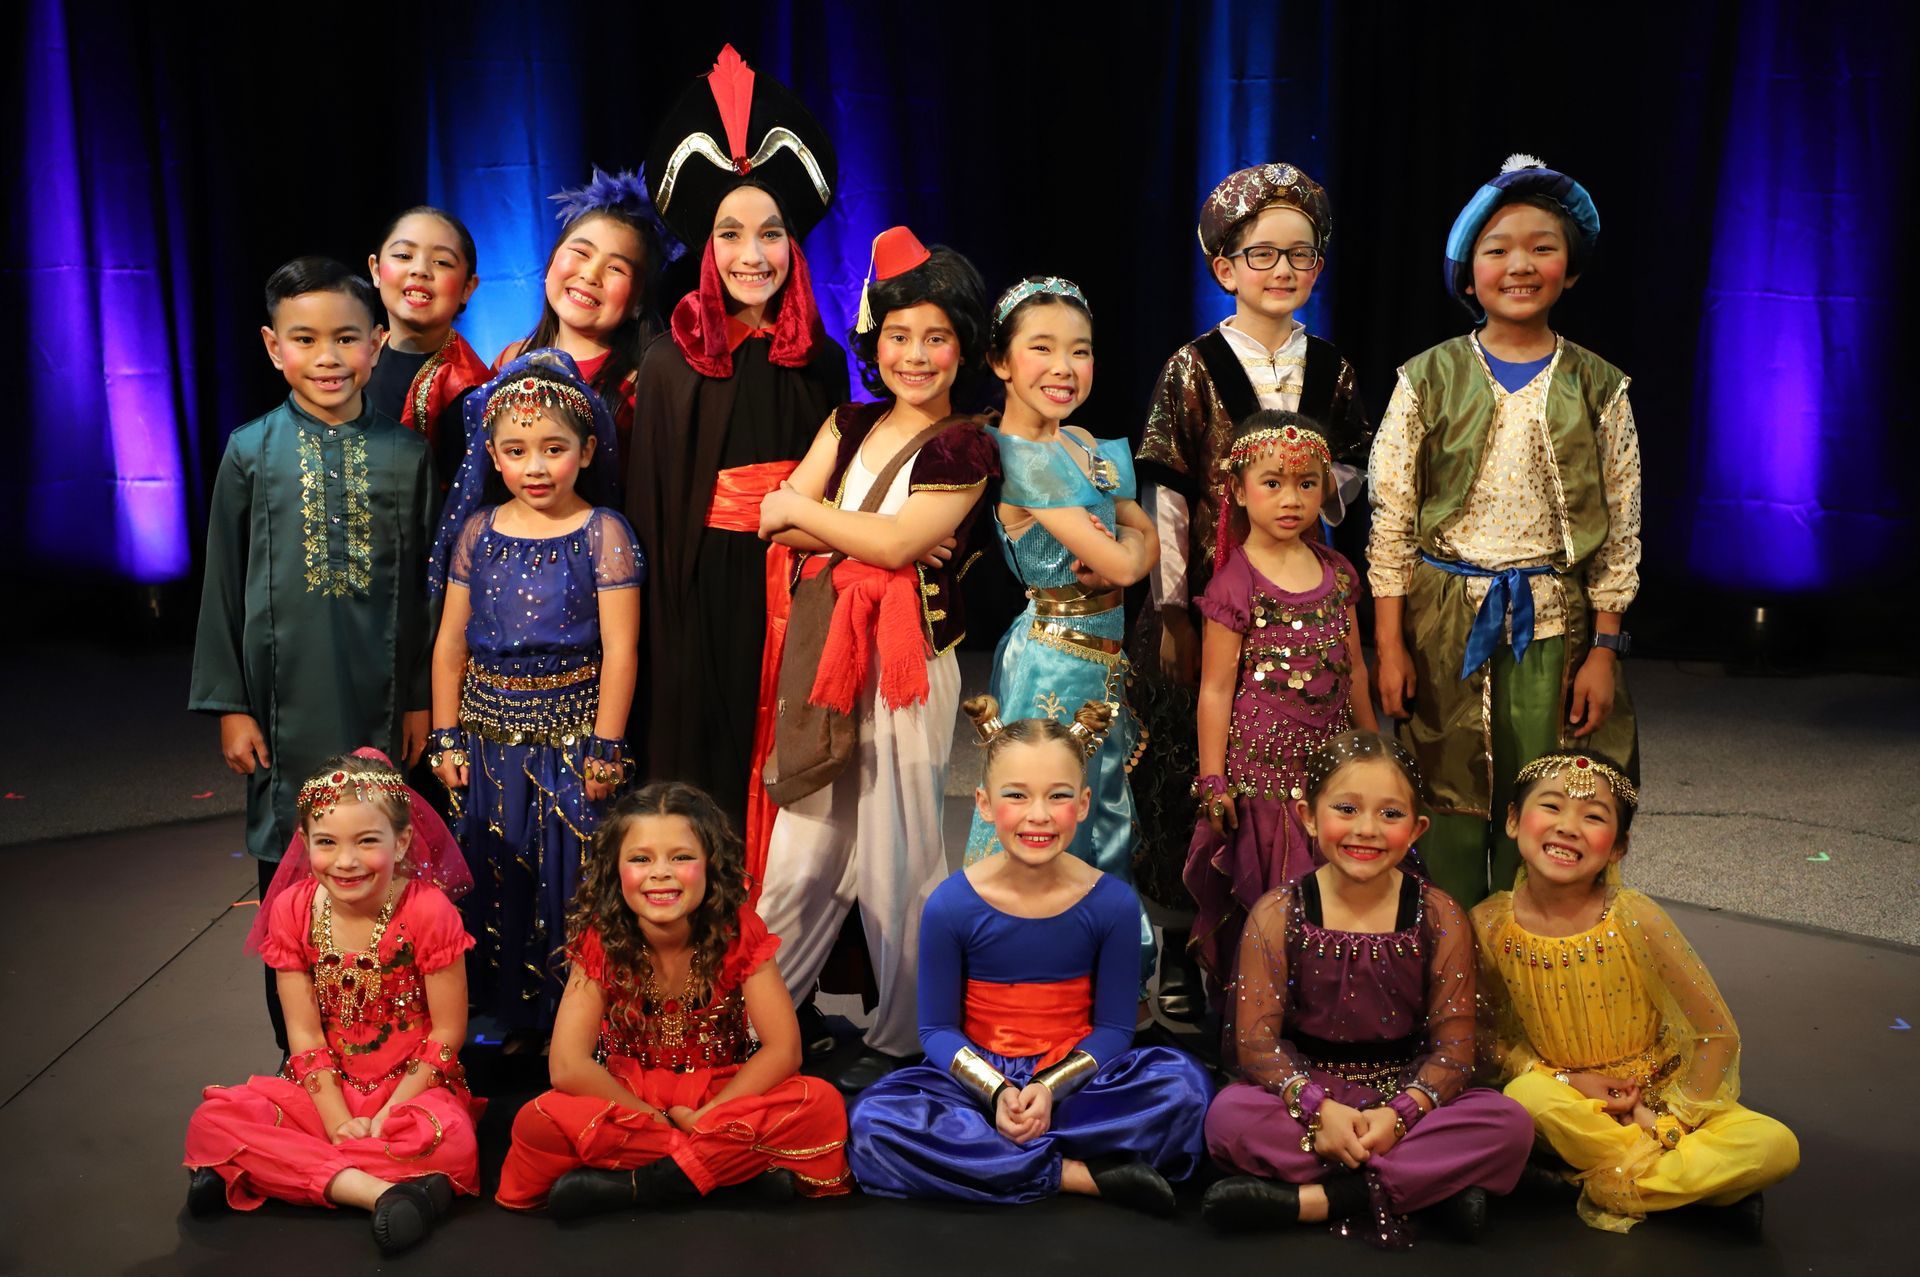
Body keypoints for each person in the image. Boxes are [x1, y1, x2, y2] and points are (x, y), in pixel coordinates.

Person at [754, 227, 997, 1091]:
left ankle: (905, 1034)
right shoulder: (848, 418)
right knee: (801, 845)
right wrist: (864, 540)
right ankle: (760, 1021)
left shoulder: (968, 444)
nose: (915, 354)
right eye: (898, 335)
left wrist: (823, 521)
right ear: (875, 337)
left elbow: (887, 539)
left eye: (936, 336)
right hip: (829, 654)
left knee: (902, 852)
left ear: (964, 345)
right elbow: (769, 521)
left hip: (907, 663)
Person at [1368, 155, 1641, 908]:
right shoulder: (1425, 379)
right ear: (1469, 273)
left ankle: (1537, 970)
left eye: (1542, 247)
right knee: (1448, 799)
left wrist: (1605, 649)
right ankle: (1452, 982)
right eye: (1498, 249)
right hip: (1441, 624)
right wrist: (1388, 644)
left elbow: (1619, 528)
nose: (1520, 264)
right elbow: (1390, 520)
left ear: (1572, 269)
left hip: (1555, 625)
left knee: (1547, 794)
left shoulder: (1599, 386)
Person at [1131, 162, 1372, 1011]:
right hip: (1209, 599)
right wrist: (1170, 609)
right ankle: (1177, 940)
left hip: (1298, 602)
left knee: (1293, 777)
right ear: (1225, 266)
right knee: (1185, 770)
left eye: (1298, 255)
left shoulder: (1334, 369)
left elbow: (1348, 471)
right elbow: (1163, 490)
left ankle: (1298, 935)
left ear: (1318, 268)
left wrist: (1305, 488)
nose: (1280, 271)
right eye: (1259, 253)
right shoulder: (1192, 367)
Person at [190, 257, 434, 1053]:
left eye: (345, 338)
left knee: (388, 877)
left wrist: (423, 698)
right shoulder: (251, 451)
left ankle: (387, 1054)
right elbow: (223, 581)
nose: (326, 356)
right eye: (304, 339)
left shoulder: (407, 455)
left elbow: (428, 592)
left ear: (378, 342)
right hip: (281, 711)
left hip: (384, 705)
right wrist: (230, 703)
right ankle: (301, 1057)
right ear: (272, 346)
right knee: (293, 892)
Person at [849, 699, 1212, 1212]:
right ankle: (1071, 1173)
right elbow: (934, 1031)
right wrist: (998, 1092)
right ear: (982, 802)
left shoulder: (1111, 902)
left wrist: (1046, 1086)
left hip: (1079, 1079)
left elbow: (1113, 1029)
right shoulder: (951, 904)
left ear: (1083, 804)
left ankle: (997, 1161)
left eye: (1058, 796)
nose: (1038, 815)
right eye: (1016, 796)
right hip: (977, 1082)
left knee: (1186, 1090)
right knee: (874, 1120)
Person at [630, 45, 847, 852]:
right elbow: (657, 513)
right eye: (730, 234)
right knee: (714, 753)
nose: (752, 254)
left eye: (771, 233)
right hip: (706, 586)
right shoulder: (668, 362)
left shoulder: (821, 362)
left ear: (794, 242)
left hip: (797, 576)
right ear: (705, 246)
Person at [1203, 732, 1532, 1247]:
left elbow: (1455, 1050)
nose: (1366, 830)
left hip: (1402, 1095)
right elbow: (1256, 1045)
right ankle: (1429, 1188)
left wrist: (1398, 1116)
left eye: (1390, 814)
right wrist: (1319, 1109)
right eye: (1347, 808)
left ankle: (1321, 1200)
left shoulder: (1439, 914)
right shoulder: (1277, 913)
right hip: (1310, 1098)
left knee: (1508, 1124)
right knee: (1227, 1118)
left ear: (1418, 828)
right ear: (1308, 816)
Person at [1473, 748, 1799, 1234]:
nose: (1568, 826)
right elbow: (1482, 1036)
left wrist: (1668, 1121)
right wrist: (1566, 1081)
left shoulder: (1634, 917)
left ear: (1618, 847)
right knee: (1526, 1097)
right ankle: (1690, 1189)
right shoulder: (1490, 924)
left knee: (1775, 1144)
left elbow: (1716, 1034)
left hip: (1661, 1101)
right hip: (1573, 1106)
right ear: (1515, 821)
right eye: (1552, 806)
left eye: (1593, 816)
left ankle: (1601, 1183)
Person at [495, 782, 851, 1216]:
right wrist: (653, 1118)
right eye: (640, 859)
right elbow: (568, 1065)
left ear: (710, 866)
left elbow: (783, 1050)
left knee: (820, 1102)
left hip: (725, 1095)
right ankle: (731, 1169)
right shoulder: (601, 938)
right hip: (628, 1100)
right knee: (538, 1122)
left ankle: (640, 1186)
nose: (660, 872)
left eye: (681, 857)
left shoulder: (739, 930)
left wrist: (708, 1116)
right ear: (614, 869)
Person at [183, 751, 481, 1255]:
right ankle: (380, 1192)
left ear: (402, 840)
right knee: (210, 1120)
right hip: (323, 1090)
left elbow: (447, 1034)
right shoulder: (291, 909)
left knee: (451, 1139)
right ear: (304, 843)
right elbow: (303, 1034)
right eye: (326, 843)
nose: (346, 861)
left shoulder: (429, 911)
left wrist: (388, 1115)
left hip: (412, 1092)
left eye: (367, 841)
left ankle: (263, 1170)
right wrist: (338, 1121)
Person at [428, 350, 642, 1035]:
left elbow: (622, 650)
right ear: (492, 454)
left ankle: (573, 1025)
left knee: (570, 879)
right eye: (517, 451)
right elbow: (451, 646)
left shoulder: (603, 533)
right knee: (497, 870)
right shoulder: (477, 532)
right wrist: (444, 735)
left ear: (586, 450)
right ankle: (503, 1018)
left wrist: (606, 748)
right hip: (489, 743)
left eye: (554, 448)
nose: (537, 466)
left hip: (573, 742)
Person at [1184, 412, 1375, 998]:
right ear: (1238, 491)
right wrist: (1213, 777)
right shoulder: (1234, 585)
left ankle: (1339, 1014)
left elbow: (1356, 669)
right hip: (1262, 782)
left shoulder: (1338, 574)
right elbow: (1215, 689)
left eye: (1307, 483)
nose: (1291, 499)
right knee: (1275, 904)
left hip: (1331, 770)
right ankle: (1265, 1024)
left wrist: (1374, 752)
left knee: (1339, 893)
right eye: (1272, 483)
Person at [497, 167, 680, 465]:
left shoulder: (641, 384)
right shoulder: (510, 360)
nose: (591, 275)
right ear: (551, 261)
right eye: (581, 253)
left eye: (616, 269)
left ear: (638, 302)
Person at [364, 205, 489, 488]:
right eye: (403, 256)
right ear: (375, 270)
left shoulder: (470, 390)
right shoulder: (358, 354)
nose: (420, 270)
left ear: (468, 288)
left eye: (442, 262)